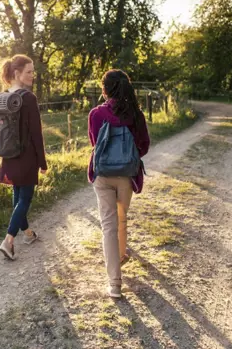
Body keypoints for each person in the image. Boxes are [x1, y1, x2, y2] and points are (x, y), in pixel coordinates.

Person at [88, 69, 150, 298]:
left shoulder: (96, 114)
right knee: (121, 218)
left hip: (103, 174)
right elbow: (143, 146)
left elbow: (95, 142)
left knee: (108, 226)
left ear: (104, 89)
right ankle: (122, 254)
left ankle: (114, 283)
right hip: (126, 176)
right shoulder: (135, 114)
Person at [0, 54, 48, 260]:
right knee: (25, 198)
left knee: (18, 196)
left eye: (33, 72)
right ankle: (8, 240)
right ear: (16, 73)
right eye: (28, 72)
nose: (32, 76)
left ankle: (28, 234)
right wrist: (42, 162)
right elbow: (36, 133)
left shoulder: (4, 97)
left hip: (9, 155)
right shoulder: (28, 98)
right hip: (27, 157)